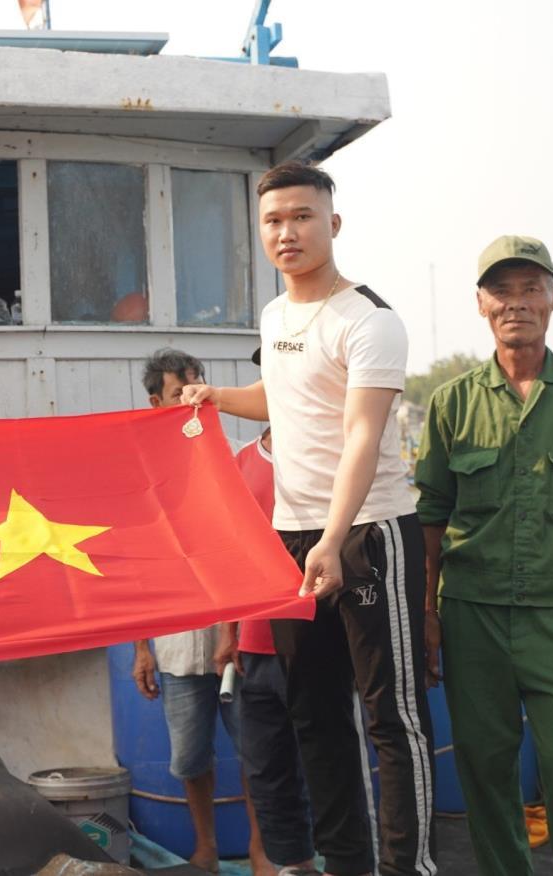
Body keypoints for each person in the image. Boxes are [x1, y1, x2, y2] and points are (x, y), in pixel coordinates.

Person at [182, 160, 436, 876]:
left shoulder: (370, 321)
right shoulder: (275, 316)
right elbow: (285, 395)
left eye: (301, 216)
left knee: (393, 724)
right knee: (316, 720)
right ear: (259, 231)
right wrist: (214, 398)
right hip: (292, 539)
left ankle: (408, 867)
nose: (286, 232)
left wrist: (332, 537)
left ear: (334, 223)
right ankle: (346, 865)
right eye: (273, 220)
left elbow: (361, 432)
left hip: (369, 534)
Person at [414, 235, 553, 875]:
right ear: (481, 304)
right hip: (471, 617)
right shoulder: (450, 402)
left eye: (531, 288)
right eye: (502, 291)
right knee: (486, 776)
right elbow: (431, 516)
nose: (517, 303)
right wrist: (426, 617)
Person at [130, 347, 249, 873]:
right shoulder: (142, 475)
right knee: (189, 759)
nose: (194, 400)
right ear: (157, 401)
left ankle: (264, 849)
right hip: (175, 646)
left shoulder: (232, 455)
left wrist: (233, 629)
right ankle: (205, 849)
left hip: (238, 639)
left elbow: (240, 551)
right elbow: (138, 570)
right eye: (181, 394)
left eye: (200, 388)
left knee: (258, 751)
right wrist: (141, 649)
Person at [215, 427, 317, 876]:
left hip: (316, 641)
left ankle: (349, 863)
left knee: (328, 766)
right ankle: (292, 866)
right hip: (255, 644)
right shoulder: (243, 461)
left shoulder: (324, 449)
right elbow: (231, 551)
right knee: (266, 771)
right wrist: (228, 630)